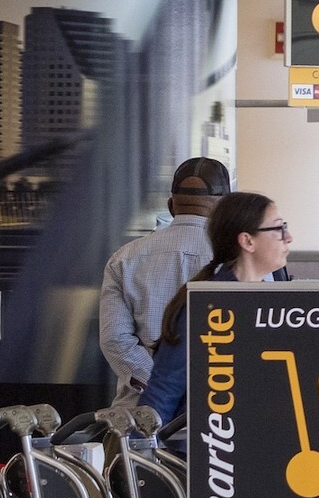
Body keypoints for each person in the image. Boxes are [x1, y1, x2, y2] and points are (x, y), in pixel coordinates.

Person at [138, 190, 292, 427]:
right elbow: (165, 389)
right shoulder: (207, 304)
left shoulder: (269, 299)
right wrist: (141, 449)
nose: (288, 237)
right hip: (205, 451)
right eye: (279, 228)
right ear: (247, 241)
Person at [100, 157, 227, 404]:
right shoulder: (241, 260)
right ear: (225, 208)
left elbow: (115, 340)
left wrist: (162, 385)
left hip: (141, 414)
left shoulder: (124, 259)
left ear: (171, 206)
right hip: (220, 411)